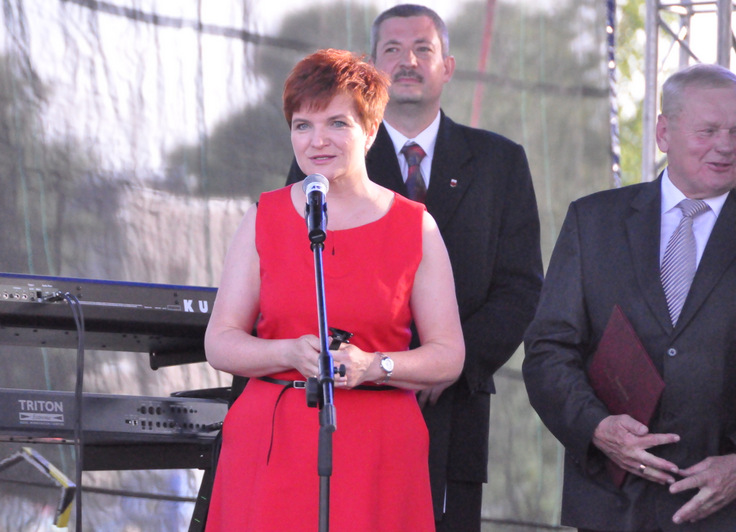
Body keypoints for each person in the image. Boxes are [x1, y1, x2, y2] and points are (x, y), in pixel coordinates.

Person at [286, 6, 543, 531]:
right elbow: (301, 271)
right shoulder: (326, 154)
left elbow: (520, 289)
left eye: (423, 49)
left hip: (454, 407)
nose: (408, 61)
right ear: (371, 69)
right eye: (392, 50)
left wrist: (444, 366)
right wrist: (367, 362)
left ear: (448, 67)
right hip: (347, 403)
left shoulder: (500, 162)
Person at [204, 48, 465, 532]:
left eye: (337, 123)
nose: (317, 140)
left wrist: (374, 366)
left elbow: (449, 355)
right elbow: (219, 341)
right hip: (273, 442)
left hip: (379, 447)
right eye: (302, 125)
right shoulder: (264, 216)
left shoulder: (416, 226)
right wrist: (287, 352)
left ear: (371, 129)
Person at [522, 62, 736, 531]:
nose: (725, 145)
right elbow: (547, 351)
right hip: (611, 504)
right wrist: (596, 428)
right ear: (663, 132)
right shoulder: (593, 221)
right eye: (708, 131)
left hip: (723, 509)